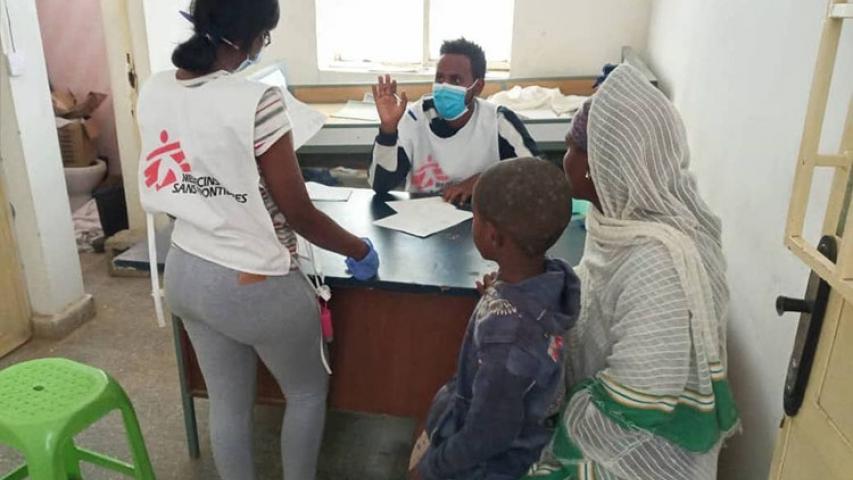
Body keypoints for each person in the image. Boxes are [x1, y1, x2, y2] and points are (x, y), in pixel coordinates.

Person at [136, 1, 379, 479]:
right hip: (253, 281)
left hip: (185, 269)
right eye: (265, 35)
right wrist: (359, 248)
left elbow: (173, 183)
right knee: (306, 392)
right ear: (249, 37)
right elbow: (299, 212)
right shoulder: (258, 101)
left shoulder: (156, 88)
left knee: (228, 403)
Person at [525, 64, 739, 480]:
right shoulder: (623, 221)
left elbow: (639, 400)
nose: (564, 159)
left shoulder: (657, 263)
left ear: (598, 164)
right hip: (609, 427)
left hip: (639, 459)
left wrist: (556, 445)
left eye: (570, 147)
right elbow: (597, 293)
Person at [410, 157, 581, 480]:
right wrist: (499, 294)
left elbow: (487, 435)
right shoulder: (547, 281)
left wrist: (432, 468)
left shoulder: (508, 342)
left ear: (493, 237)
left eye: (475, 216)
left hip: (486, 469)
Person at [369, 38, 541, 204]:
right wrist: (388, 129)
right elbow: (380, 185)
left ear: (478, 86)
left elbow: (538, 174)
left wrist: (484, 181)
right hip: (422, 222)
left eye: (455, 80)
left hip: (481, 221)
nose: (444, 86)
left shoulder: (498, 121)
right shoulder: (415, 118)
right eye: (439, 78)